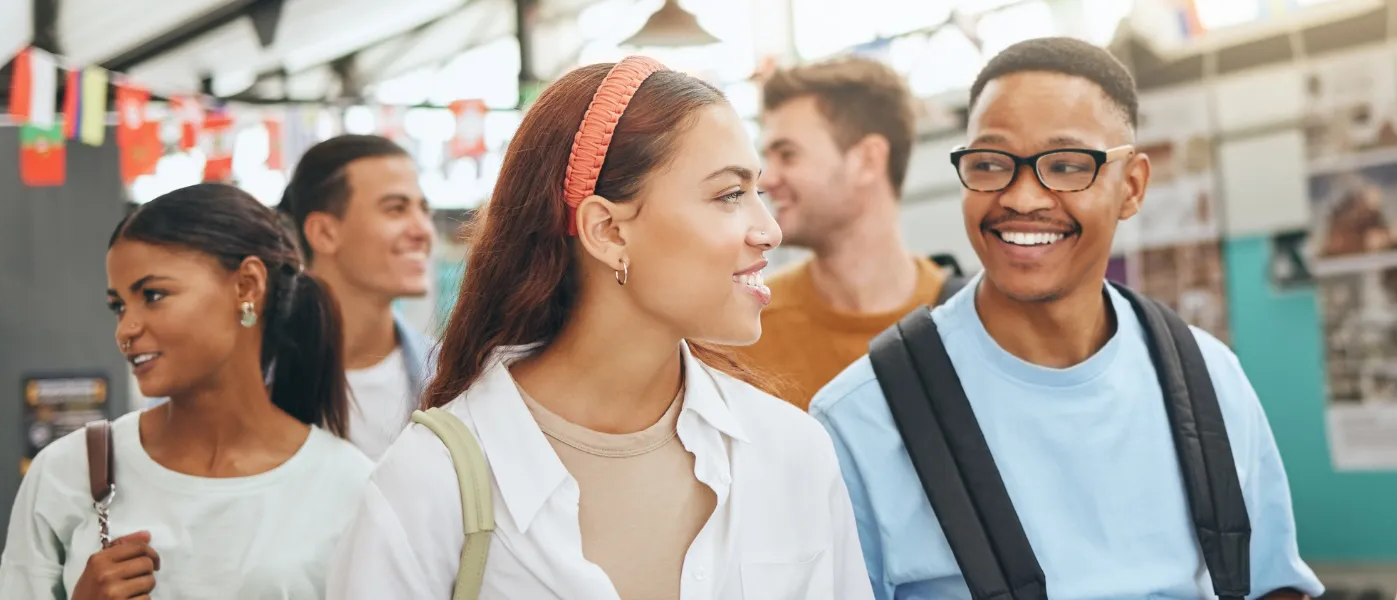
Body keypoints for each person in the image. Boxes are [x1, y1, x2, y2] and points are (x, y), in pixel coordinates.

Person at [324, 56, 871, 599]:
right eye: (729, 195)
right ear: (607, 231)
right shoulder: (428, 487)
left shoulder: (791, 453)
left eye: (758, 194)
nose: (769, 231)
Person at [809, 37, 1323, 600]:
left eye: (1066, 165)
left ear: (1132, 186)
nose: (1023, 197)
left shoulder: (1209, 379)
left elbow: (1273, 584)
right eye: (989, 163)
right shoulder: (862, 420)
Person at [0, 183, 371, 599]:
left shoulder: (348, 486)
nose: (126, 329)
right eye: (118, 305)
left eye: (153, 295)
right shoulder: (69, 472)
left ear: (246, 286)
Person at [736, 57, 955, 409]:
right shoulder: (743, 332)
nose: (766, 180)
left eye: (788, 155)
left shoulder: (973, 322)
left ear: (867, 160)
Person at [276, 134, 437, 459]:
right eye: (396, 209)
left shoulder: (453, 378)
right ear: (323, 233)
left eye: (424, 209)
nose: (422, 230)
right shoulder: (245, 383)